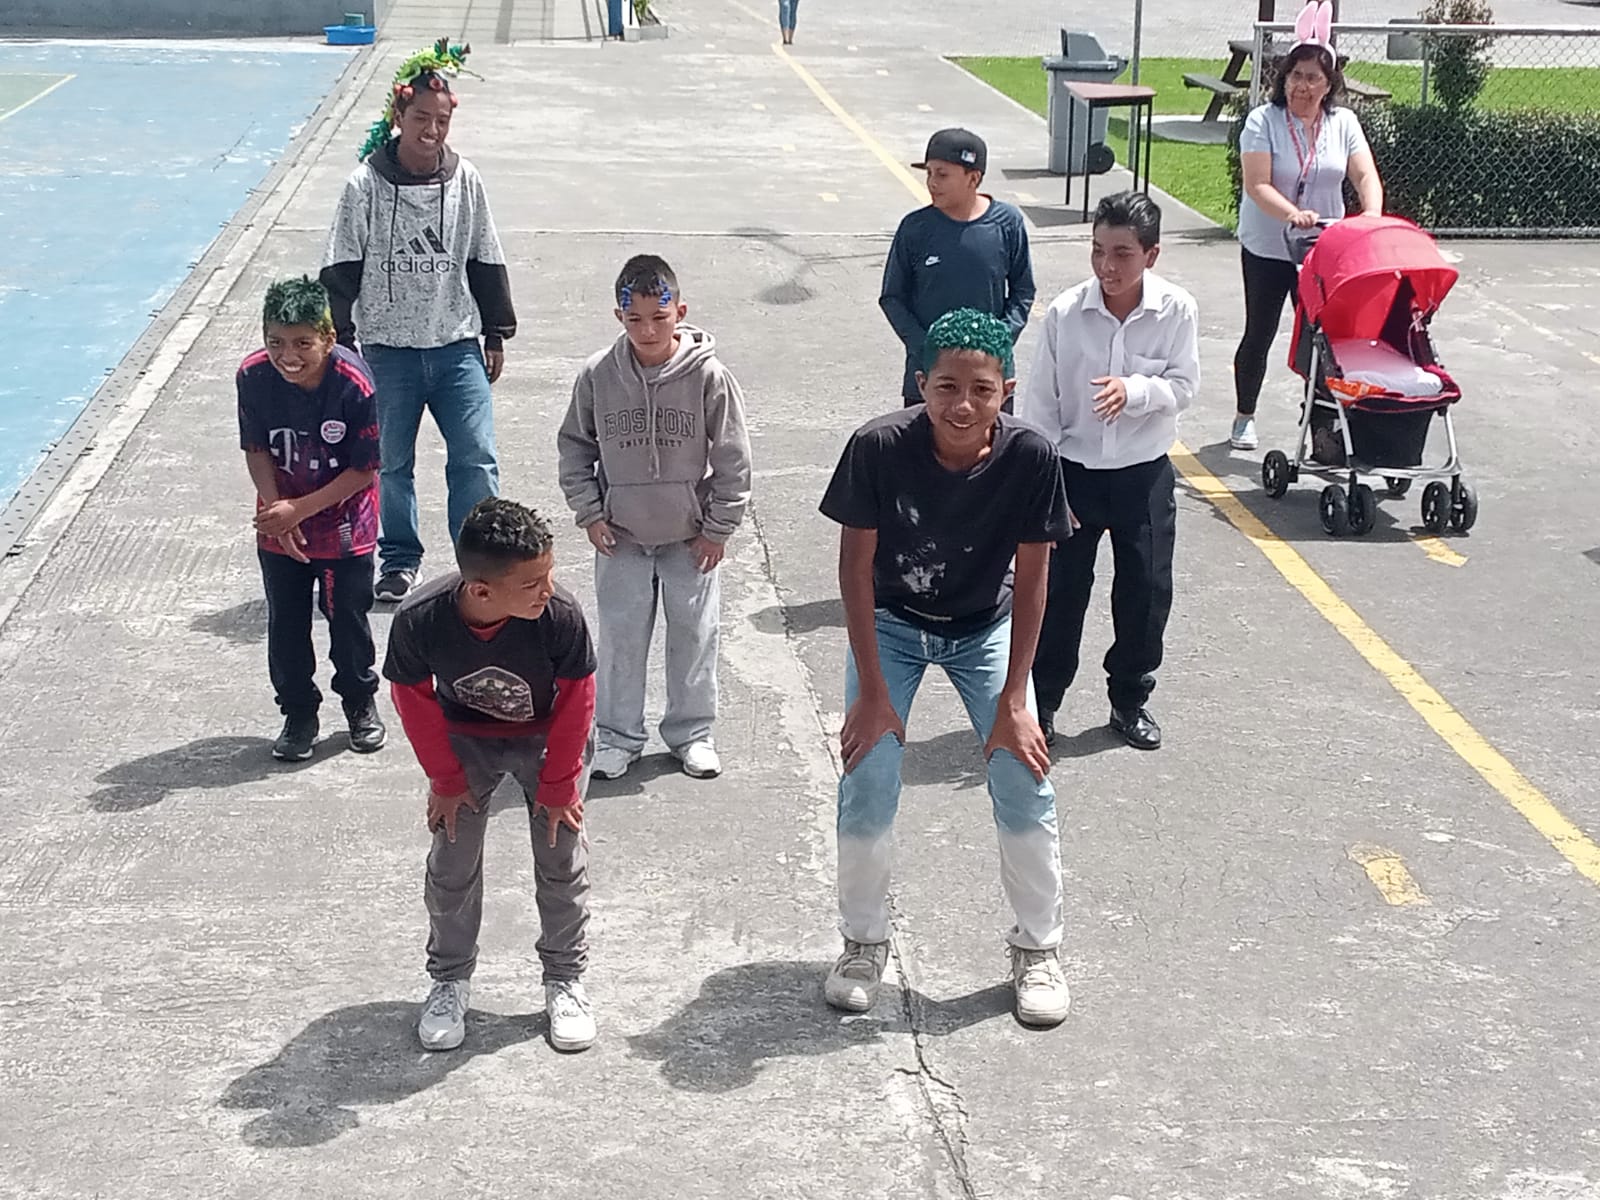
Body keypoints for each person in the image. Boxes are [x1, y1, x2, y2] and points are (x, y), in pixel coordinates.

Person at [819, 308, 1074, 1029]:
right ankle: (862, 942)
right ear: (920, 384)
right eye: (947, 387)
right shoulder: (876, 447)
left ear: (1007, 392)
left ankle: (1038, 949)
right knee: (868, 776)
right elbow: (855, 570)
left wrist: (1015, 699)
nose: (963, 405)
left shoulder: (1032, 457)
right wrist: (872, 692)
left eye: (982, 390)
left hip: (984, 628)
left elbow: (1033, 580)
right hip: (893, 626)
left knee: (1022, 775)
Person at [383, 497, 599, 1054]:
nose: (547, 590)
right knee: (452, 860)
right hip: (466, 741)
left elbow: (578, 701)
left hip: (548, 739)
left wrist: (558, 785)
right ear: (481, 592)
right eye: (531, 584)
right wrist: (446, 780)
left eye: (548, 575)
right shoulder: (421, 619)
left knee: (561, 859)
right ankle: (449, 980)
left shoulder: (560, 616)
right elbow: (413, 701)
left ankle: (564, 979)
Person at [321, 39, 517, 604]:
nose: (431, 130)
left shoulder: (465, 180)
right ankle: (400, 560)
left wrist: (495, 330)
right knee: (389, 463)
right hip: (386, 352)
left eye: (441, 120)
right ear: (398, 116)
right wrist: (344, 343)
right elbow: (341, 264)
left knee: (476, 459)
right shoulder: (364, 185)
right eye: (420, 118)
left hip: (455, 346)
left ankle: (477, 562)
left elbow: (484, 254)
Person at [557, 255, 752, 783]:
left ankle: (693, 734)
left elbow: (733, 455)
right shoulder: (598, 375)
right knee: (620, 640)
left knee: (694, 636)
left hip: (690, 538)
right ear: (618, 316)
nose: (647, 330)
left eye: (659, 318)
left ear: (679, 313)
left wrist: (718, 527)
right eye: (635, 318)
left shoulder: (709, 376)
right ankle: (618, 737)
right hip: (620, 537)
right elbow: (575, 447)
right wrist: (590, 512)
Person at [1021, 192, 1199, 754]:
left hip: (1142, 475)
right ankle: (1042, 704)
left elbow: (1184, 386)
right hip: (1073, 475)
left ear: (1152, 255)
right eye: (1098, 250)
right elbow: (1041, 407)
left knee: (1146, 591)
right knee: (1060, 593)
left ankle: (1129, 700)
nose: (1107, 266)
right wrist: (1047, 489)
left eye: (1122, 253)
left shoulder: (1176, 311)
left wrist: (1136, 391)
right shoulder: (1066, 314)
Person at [238, 276, 387, 762]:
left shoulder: (354, 383)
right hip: (279, 518)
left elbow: (364, 470)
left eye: (303, 343)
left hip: (344, 522)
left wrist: (298, 510)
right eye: (276, 342)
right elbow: (256, 449)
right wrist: (277, 510)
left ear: (328, 337)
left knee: (347, 619)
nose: (289, 356)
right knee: (286, 623)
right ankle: (298, 713)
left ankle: (360, 703)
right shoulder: (253, 377)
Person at [1232, 0, 1383, 451]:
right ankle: (1244, 415)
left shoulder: (1343, 123)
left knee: (1324, 338)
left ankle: (1320, 424)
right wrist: (1291, 214)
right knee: (1260, 331)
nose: (1302, 85)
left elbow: (1364, 175)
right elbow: (1257, 183)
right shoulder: (1263, 121)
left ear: (1328, 83)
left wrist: (1371, 215)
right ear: (1283, 78)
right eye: (1295, 75)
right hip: (1268, 245)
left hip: (1322, 250)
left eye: (1312, 77)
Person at [880, 128, 1035, 407]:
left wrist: (999, 339)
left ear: (973, 178)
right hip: (929, 376)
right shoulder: (915, 228)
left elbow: (1023, 291)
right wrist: (926, 346)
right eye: (929, 173)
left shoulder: (1007, 223)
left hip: (989, 376)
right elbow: (892, 297)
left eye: (942, 174)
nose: (932, 183)